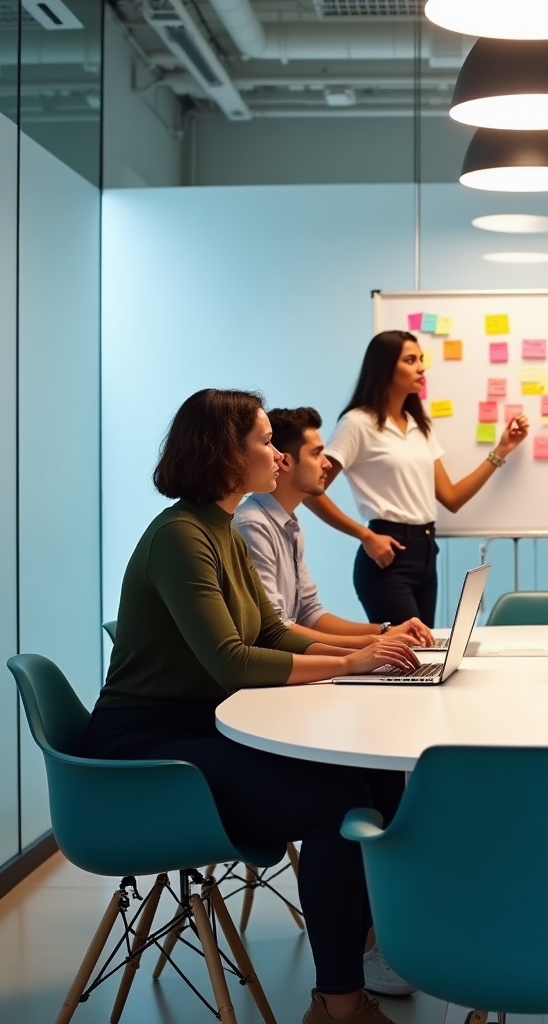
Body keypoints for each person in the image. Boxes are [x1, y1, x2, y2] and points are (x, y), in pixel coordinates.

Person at [82, 388, 421, 1024]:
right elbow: (231, 661)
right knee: (337, 803)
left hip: (193, 727)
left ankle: (376, 948)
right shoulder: (184, 536)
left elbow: (272, 631)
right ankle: (340, 1003)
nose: (279, 455)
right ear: (225, 454)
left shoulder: (221, 528)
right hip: (144, 752)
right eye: (265, 442)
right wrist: (348, 663)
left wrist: (368, 646)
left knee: (373, 778)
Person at [305, 330, 530, 627]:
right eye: (410, 360)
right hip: (388, 556)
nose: (421, 367)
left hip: (426, 552)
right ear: (385, 368)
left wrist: (501, 450)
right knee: (408, 654)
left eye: (421, 359)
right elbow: (310, 491)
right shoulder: (357, 423)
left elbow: (452, 498)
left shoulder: (419, 425)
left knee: (424, 657)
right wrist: (365, 535)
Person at [235, 405, 434, 649]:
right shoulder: (253, 525)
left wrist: (386, 630)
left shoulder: (288, 525)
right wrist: (373, 643)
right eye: (317, 454)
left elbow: (311, 614)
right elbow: (276, 630)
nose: (327, 464)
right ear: (285, 461)